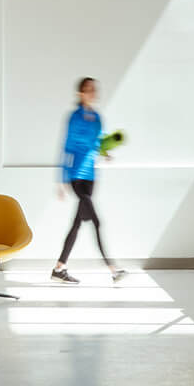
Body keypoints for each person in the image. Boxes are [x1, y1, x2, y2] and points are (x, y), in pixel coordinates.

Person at [51, 78, 126, 284]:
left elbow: (99, 143)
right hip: (76, 176)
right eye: (88, 89)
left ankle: (59, 268)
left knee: (76, 224)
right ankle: (113, 269)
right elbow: (66, 147)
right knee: (96, 221)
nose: (92, 92)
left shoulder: (97, 118)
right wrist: (61, 180)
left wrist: (106, 151)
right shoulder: (74, 117)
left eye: (94, 89)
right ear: (80, 94)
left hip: (91, 177)